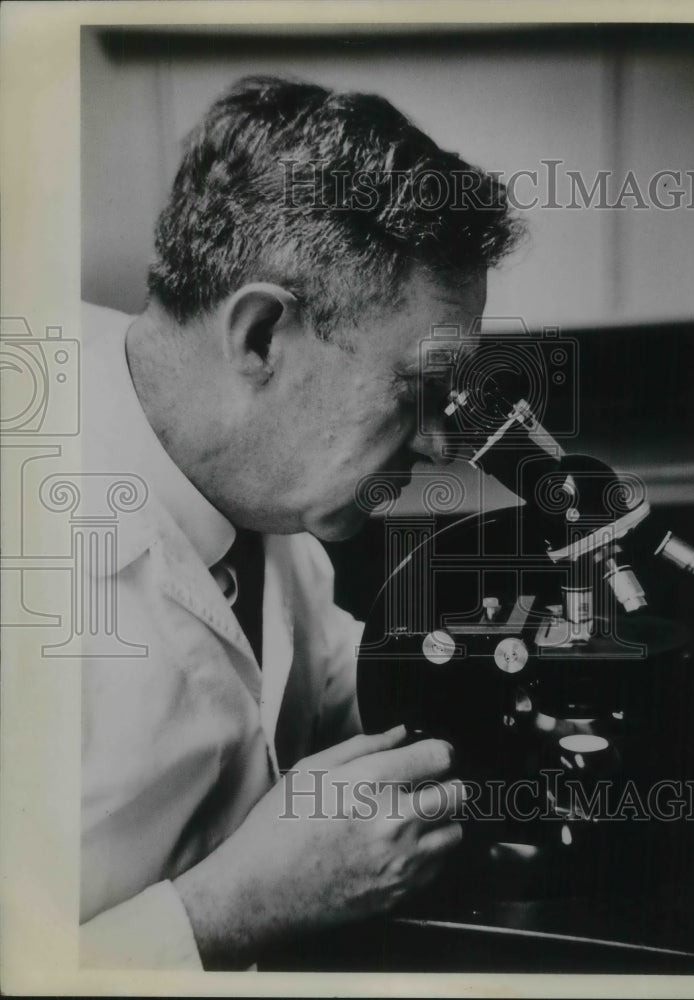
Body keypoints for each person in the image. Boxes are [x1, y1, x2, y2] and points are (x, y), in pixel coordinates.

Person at [79, 74, 518, 970]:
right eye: (416, 390)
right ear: (261, 338)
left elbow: (310, 695)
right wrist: (225, 913)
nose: (438, 443)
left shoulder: (259, 475)